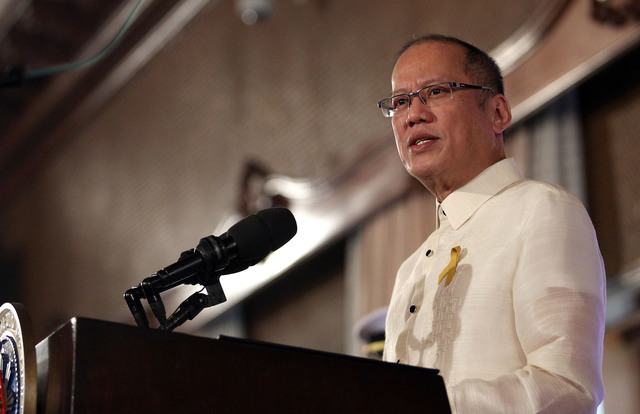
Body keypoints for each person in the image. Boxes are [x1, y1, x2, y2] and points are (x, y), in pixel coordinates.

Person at [377, 34, 606, 413]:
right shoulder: (409, 272)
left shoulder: (540, 210)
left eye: (436, 91)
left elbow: (567, 387)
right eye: (400, 102)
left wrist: (423, 404)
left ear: (498, 113)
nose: (413, 114)